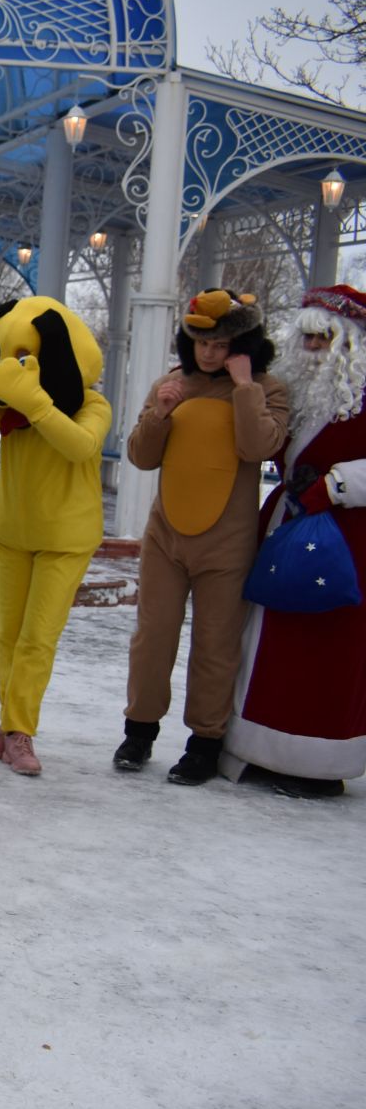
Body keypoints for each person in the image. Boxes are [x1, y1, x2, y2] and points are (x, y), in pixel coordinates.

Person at [114, 290, 290, 785]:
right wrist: (160, 414)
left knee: (216, 646)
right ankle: (139, 730)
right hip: (167, 536)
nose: (209, 353)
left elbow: (260, 447)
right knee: (153, 639)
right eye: (200, 343)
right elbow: (142, 458)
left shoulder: (267, 388)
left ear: (243, 344)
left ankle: (205, 742)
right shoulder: (170, 384)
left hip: (229, 543)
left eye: (221, 344)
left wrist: (243, 389)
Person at [223, 284, 366, 798]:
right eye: (305, 338)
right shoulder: (294, 392)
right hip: (285, 525)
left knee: (328, 647)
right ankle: (255, 747)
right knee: (265, 639)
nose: (311, 350)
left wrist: (337, 485)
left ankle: (318, 760)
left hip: (349, 541)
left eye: (322, 339)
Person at [0, 298, 112, 777]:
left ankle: (20, 730)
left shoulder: (91, 403)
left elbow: (81, 445)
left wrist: (36, 401)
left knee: (37, 640)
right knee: (8, 637)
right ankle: (8, 727)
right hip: (14, 532)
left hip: (66, 537)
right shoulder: (8, 407)